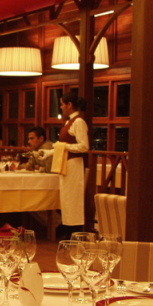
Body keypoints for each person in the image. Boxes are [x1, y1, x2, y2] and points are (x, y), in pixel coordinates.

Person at [41, 92, 89, 238]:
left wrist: (64, 146)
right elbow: (63, 146)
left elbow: (84, 146)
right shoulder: (70, 122)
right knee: (67, 200)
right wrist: (49, 153)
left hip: (74, 165)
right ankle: (68, 234)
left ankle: (74, 235)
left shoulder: (79, 122)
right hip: (66, 164)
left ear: (69, 105)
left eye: (62, 104)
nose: (61, 107)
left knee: (73, 200)